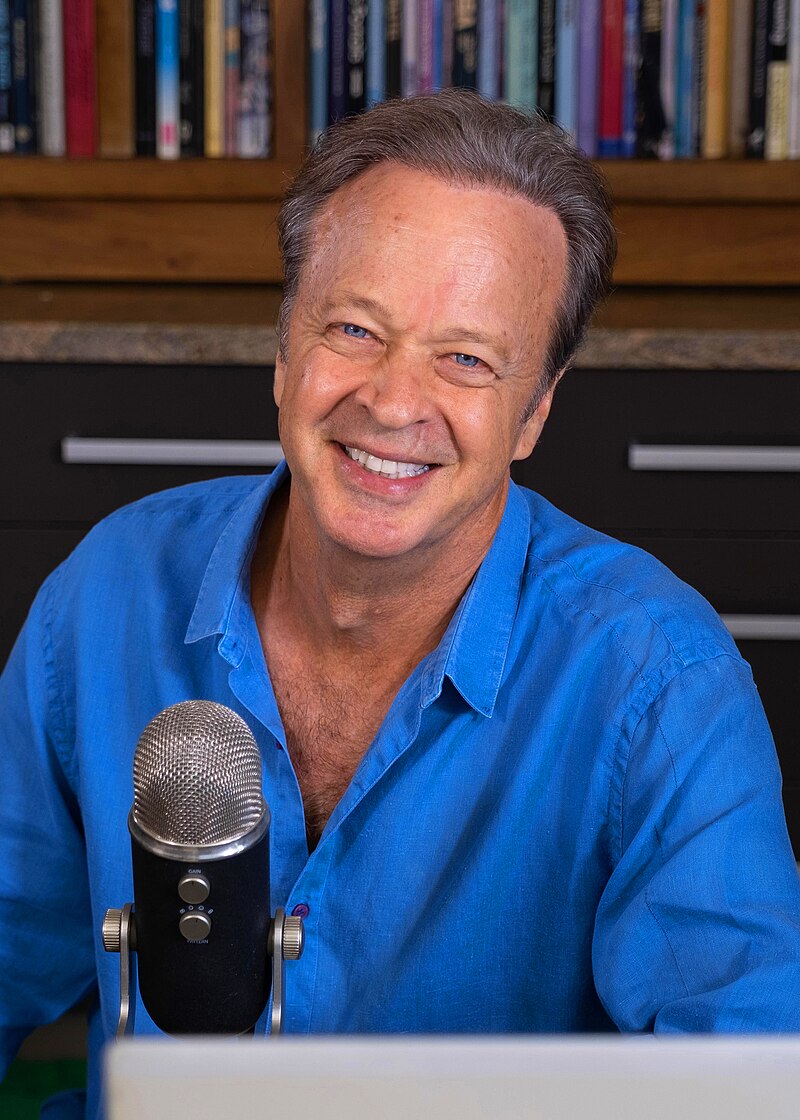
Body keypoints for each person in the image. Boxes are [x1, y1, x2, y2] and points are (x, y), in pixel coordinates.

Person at [2, 90, 800, 1120]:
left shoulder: (662, 684)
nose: (390, 401)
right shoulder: (108, 593)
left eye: (465, 359)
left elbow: (744, 1085)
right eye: (353, 328)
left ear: (534, 411)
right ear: (284, 350)